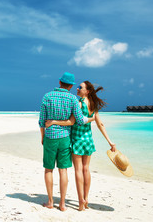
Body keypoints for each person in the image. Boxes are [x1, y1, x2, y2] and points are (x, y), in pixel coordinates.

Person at [45, 81, 116, 211]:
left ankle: (81, 202)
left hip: (77, 139)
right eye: (77, 87)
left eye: (80, 87)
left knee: (78, 170)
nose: (77, 89)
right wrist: (110, 141)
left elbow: (72, 122)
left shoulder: (78, 103)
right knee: (86, 169)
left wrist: (53, 122)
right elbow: (100, 125)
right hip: (88, 140)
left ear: (87, 91)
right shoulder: (93, 105)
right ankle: (86, 198)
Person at [39, 72, 94, 211]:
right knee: (63, 170)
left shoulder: (47, 96)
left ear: (59, 82)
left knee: (48, 169)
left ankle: (51, 202)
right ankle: (62, 204)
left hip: (50, 136)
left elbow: (41, 121)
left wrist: (42, 136)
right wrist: (93, 118)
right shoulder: (72, 99)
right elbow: (80, 120)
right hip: (65, 138)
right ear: (70, 86)